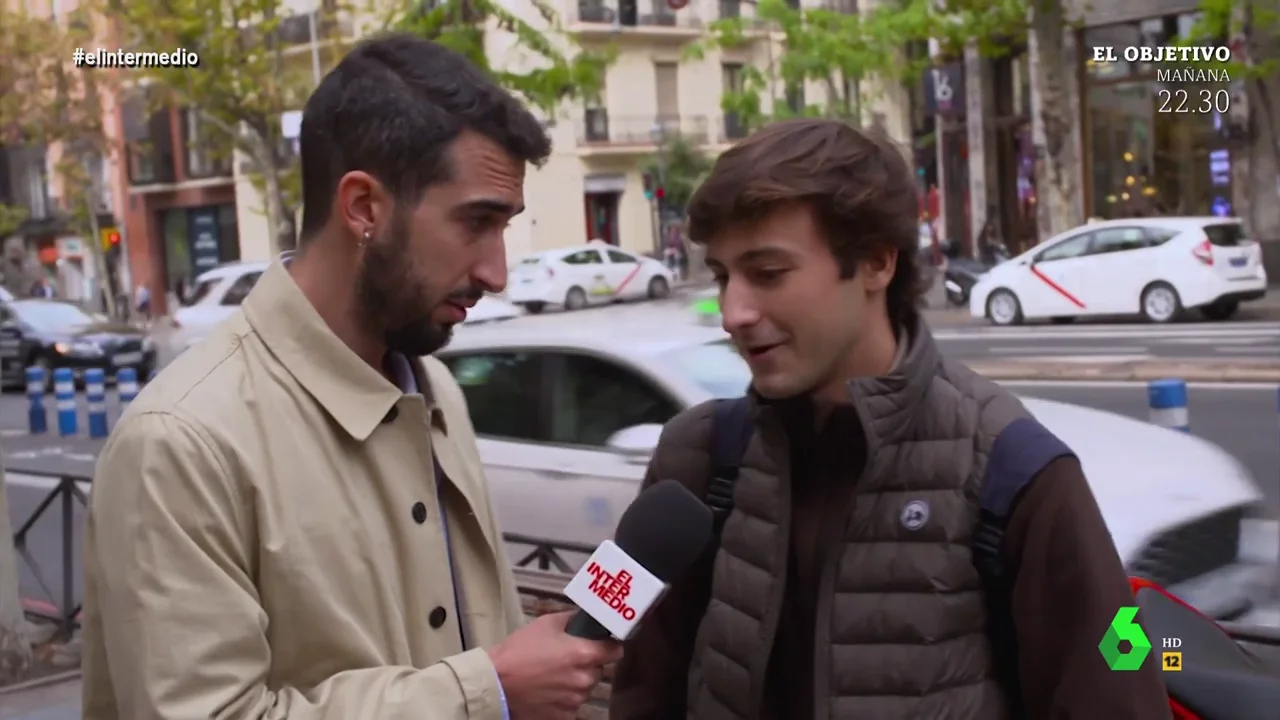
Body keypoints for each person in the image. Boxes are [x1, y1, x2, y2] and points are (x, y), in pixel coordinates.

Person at [83, 34, 620, 720]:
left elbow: (464, 653)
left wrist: (524, 652)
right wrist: (491, 690)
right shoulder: (179, 444)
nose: (497, 273)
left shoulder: (435, 389)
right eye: (476, 223)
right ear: (364, 206)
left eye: (505, 227)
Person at [609, 119, 1171, 719]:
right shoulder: (697, 455)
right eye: (723, 277)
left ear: (877, 263)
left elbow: (1122, 678)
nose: (733, 312)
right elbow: (642, 684)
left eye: (768, 274)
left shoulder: (1018, 471)